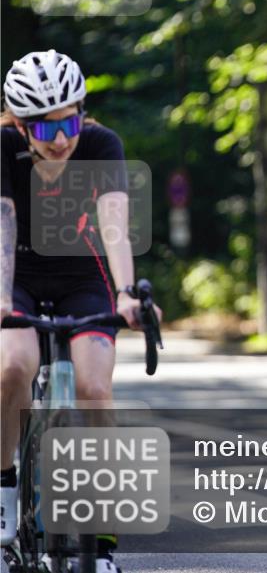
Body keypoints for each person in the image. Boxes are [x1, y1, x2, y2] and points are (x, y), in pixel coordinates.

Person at [1, 50, 157, 572]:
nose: (60, 139)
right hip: (17, 276)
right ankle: (3, 510)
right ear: (20, 125)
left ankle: (102, 538)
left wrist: (127, 294)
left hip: (82, 278)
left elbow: (114, 220)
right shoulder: (2, 149)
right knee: (11, 367)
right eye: (44, 128)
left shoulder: (100, 144)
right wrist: (2, 301)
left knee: (94, 387)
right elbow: (2, 223)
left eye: (68, 120)